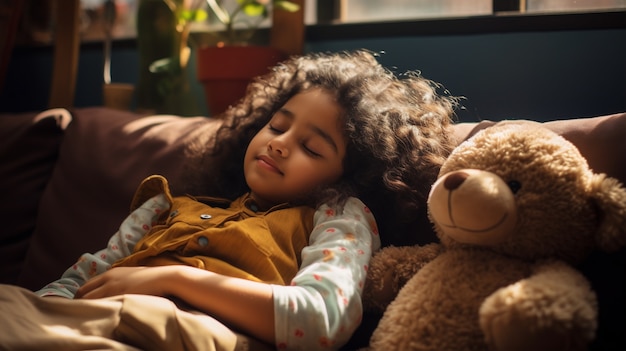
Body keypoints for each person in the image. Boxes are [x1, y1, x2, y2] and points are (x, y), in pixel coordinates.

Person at [0, 50, 458, 351]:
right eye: (278, 127)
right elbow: (77, 280)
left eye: (313, 148)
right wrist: (46, 305)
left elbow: (320, 320)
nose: (280, 144)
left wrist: (173, 280)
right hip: (81, 321)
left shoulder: (336, 215)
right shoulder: (163, 207)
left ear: (353, 175)